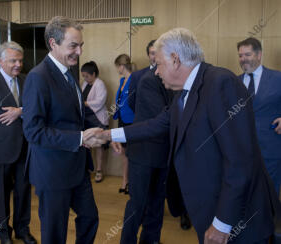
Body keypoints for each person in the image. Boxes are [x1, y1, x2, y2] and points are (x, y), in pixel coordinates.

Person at [93, 28, 281, 244]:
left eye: (159, 64)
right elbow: (157, 124)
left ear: (175, 60)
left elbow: (240, 161)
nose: (155, 72)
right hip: (211, 208)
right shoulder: (185, 92)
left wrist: (222, 223)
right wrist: (108, 135)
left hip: (237, 219)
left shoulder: (221, 83)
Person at [22, 16, 103, 244]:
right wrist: (79, 138)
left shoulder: (69, 72)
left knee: (89, 218)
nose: (78, 51)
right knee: (55, 233)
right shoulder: (38, 78)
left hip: (77, 167)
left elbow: (78, 113)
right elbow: (33, 131)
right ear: (53, 44)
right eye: (73, 46)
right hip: (52, 171)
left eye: (81, 45)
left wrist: (103, 133)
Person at [0, 42, 36, 244]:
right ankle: (4, 233)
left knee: (23, 192)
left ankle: (23, 229)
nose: (18, 64)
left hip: (26, 148)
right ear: (1, 61)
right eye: (13, 60)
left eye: (20, 60)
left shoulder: (27, 79)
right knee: (2, 195)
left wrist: (20, 111)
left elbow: (36, 107)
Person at [117, 62, 174, 244]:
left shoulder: (174, 78)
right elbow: (164, 116)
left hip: (163, 154)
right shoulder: (148, 80)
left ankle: (150, 241)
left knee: (157, 204)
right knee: (137, 205)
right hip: (143, 153)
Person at [237, 37, 281, 196]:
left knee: (270, 195)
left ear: (259, 55)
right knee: (245, 195)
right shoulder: (234, 82)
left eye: (247, 55)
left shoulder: (278, 78)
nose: (243, 59)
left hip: (271, 150)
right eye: (240, 56)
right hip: (241, 152)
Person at [81, 61, 109, 183]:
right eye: (83, 76)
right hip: (86, 118)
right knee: (87, 144)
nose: (85, 78)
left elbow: (99, 102)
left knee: (99, 145)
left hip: (98, 118)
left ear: (93, 74)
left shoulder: (100, 84)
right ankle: (88, 168)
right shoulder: (84, 84)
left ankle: (99, 170)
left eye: (87, 76)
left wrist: (85, 103)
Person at [113, 54, 134, 194]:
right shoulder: (122, 81)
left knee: (132, 153)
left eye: (117, 67)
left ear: (121, 66)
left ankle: (130, 182)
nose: (117, 69)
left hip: (132, 120)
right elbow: (119, 101)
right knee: (124, 152)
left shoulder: (135, 79)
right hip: (121, 119)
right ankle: (125, 180)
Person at [128, 40, 156, 112]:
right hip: (144, 120)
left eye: (158, 53)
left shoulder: (171, 75)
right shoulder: (137, 76)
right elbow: (131, 101)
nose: (156, 57)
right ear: (148, 56)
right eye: (153, 53)